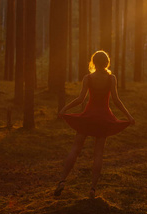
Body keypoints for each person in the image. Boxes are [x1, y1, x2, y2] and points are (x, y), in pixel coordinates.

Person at [55, 51, 135, 199]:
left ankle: (62, 180)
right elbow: (116, 100)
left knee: (75, 149)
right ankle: (92, 189)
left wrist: (65, 109)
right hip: (103, 118)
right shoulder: (111, 78)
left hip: (88, 117)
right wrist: (128, 116)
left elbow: (80, 99)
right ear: (107, 63)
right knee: (98, 153)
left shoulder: (88, 78)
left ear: (93, 62)